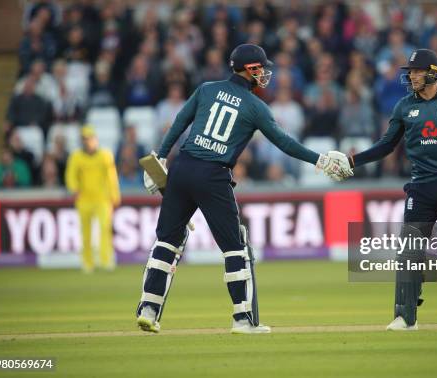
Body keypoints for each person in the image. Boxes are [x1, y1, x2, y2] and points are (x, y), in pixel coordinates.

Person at [135, 44, 346, 335]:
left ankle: (149, 308)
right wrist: (320, 159)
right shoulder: (255, 106)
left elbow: (180, 122)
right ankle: (243, 320)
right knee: (236, 248)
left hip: (183, 168)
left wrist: (159, 156)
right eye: (262, 68)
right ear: (251, 69)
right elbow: (284, 143)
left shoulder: (207, 89)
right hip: (213, 175)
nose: (265, 73)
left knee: (166, 242)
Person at [330, 49, 437, 330]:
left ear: (433, 72)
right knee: (410, 249)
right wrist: (352, 161)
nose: (411, 76)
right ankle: (404, 316)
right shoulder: (403, 107)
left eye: (417, 71)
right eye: (410, 71)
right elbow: (386, 145)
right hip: (421, 186)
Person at [65, 126, 120, 273]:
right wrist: (73, 188)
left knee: (104, 229)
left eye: (89, 138)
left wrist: (115, 195)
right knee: (86, 233)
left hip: (102, 199)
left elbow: (111, 177)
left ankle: (105, 260)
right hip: (84, 199)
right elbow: (71, 175)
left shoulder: (105, 155)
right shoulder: (76, 157)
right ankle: (87, 263)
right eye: (85, 139)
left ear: (95, 139)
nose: (87, 142)